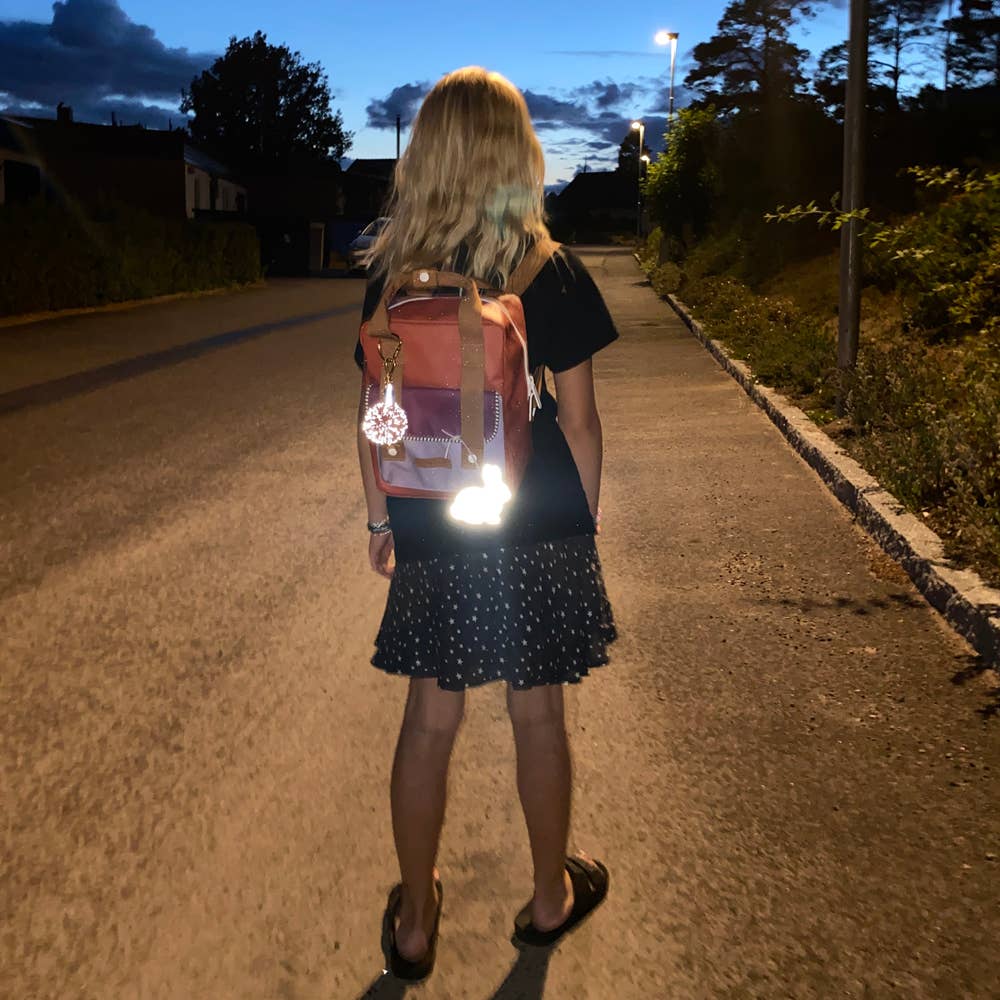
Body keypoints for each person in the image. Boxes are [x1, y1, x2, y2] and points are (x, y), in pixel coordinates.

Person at [354, 66, 618, 982]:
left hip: (434, 517)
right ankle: (549, 899)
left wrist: (382, 518)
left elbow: (377, 417)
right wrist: (581, 526)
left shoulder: (395, 278)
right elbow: (579, 421)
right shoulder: (550, 268)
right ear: (517, 157)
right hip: (535, 518)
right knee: (537, 715)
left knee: (430, 720)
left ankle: (417, 920)